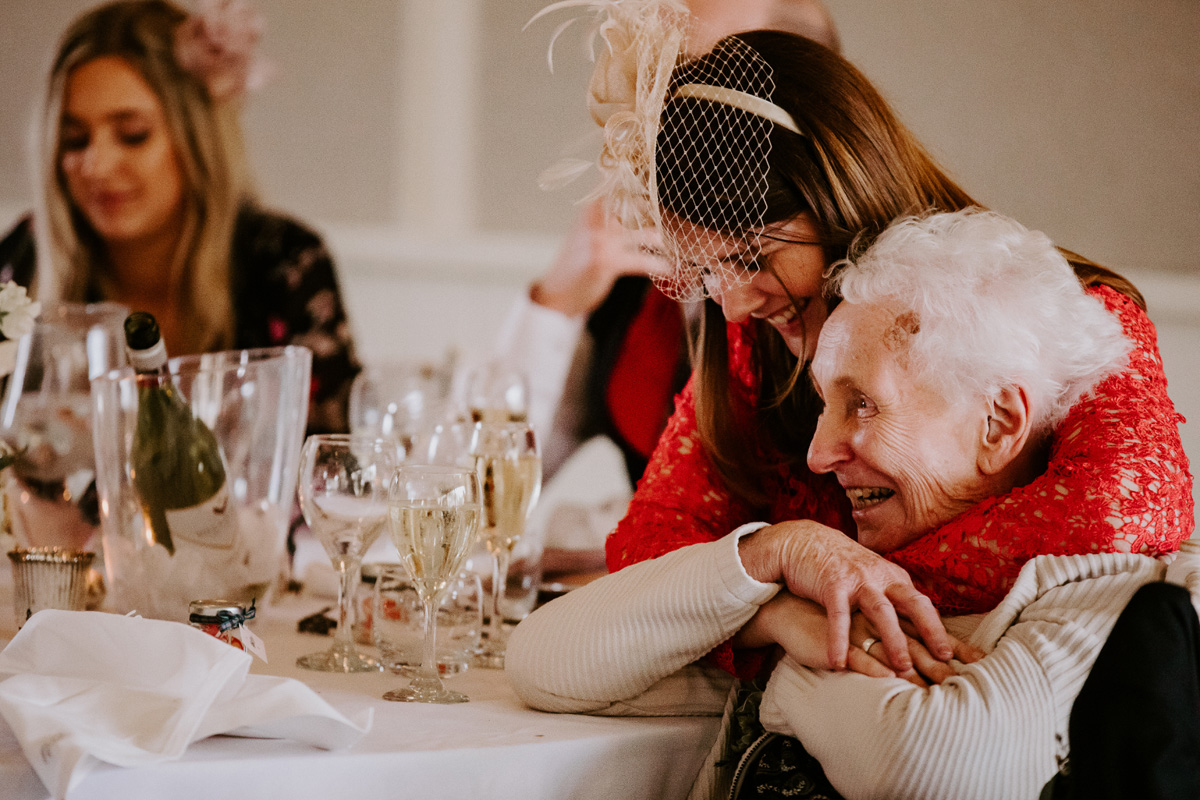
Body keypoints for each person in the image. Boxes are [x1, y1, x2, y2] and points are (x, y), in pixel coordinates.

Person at [544, 12, 1192, 674]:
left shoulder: (1070, 317)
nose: (734, 303)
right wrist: (778, 599)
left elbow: (1124, 514)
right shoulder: (752, 349)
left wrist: (808, 577)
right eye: (707, 271)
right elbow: (649, 540)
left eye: (749, 257)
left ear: (839, 197)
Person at [507, 208, 1200, 799]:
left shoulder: (1117, 593)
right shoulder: (839, 586)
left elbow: (931, 762)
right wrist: (772, 562)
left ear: (999, 424)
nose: (817, 455)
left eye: (860, 404)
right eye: (822, 404)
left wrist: (786, 668)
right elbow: (542, 661)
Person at [502, 0, 844, 534]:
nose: (672, 107)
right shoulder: (631, 281)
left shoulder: (854, 294)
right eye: (659, 74)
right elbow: (489, 490)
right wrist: (557, 302)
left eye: (708, 73)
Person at [0, 0, 360, 434]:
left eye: (132, 135)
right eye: (75, 139)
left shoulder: (284, 262)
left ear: (196, 138)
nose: (96, 165)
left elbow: (333, 467)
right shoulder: (24, 260)